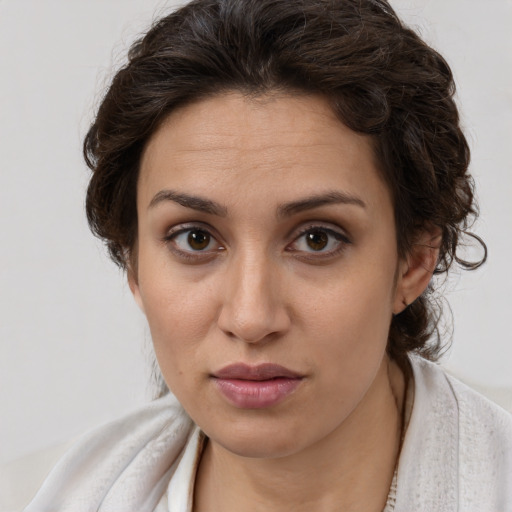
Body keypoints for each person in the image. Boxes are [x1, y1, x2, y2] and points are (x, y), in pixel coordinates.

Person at [24, 0, 512, 510]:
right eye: (194, 238)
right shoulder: (41, 495)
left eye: (317, 239)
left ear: (413, 260)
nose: (251, 318)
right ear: (134, 264)